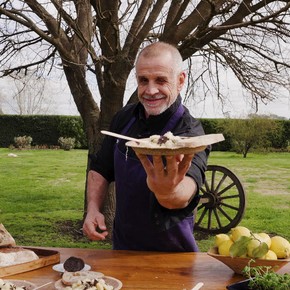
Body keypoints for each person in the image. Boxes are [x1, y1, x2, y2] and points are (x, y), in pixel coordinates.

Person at [82, 41, 210, 252]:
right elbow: (100, 168)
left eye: (160, 80)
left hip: (174, 257)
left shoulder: (190, 132)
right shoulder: (124, 118)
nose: (151, 90)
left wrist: (169, 192)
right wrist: (93, 209)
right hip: (123, 250)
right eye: (143, 80)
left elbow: (187, 190)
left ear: (180, 80)